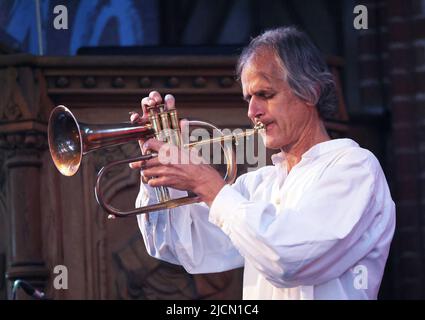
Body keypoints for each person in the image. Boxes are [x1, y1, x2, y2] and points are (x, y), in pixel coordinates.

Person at [129, 26, 395, 300]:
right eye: (249, 98)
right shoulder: (259, 184)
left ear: (311, 93)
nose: (252, 111)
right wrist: (161, 169)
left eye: (265, 95)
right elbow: (181, 246)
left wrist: (206, 183)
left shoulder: (354, 167)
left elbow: (288, 259)